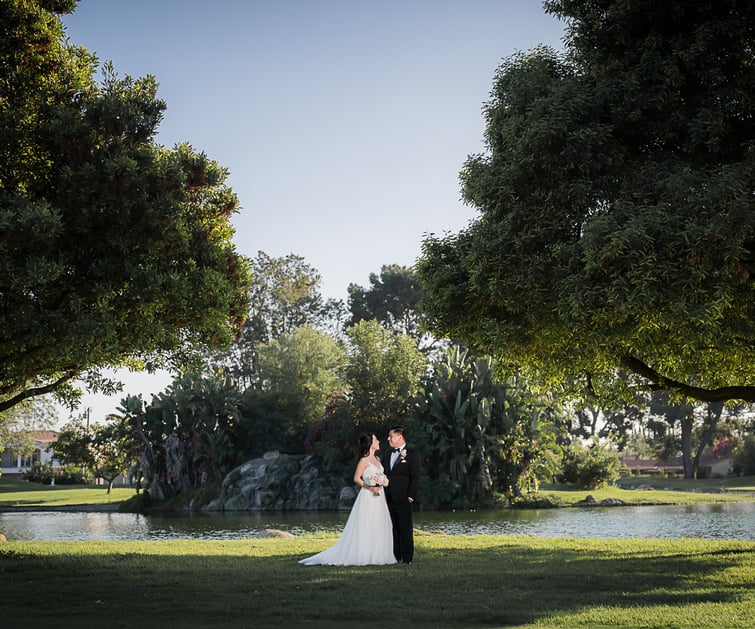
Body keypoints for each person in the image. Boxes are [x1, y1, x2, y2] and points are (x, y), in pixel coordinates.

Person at [299, 433, 396, 566]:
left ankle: (378, 554)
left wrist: (384, 481)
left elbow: (382, 475)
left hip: (380, 496)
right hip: (368, 495)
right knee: (367, 524)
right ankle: (364, 553)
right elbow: (356, 478)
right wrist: (370, 487)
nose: (379, 441)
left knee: (379, 522)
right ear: (370, 444)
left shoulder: (378, 459)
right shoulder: (364, 460)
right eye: (376, 439)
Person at [384, 425, 420, 564]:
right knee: (393, 528)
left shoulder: (412, 453)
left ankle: (407, 558)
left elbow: (415, 476)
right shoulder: (387, 453)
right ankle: (395, 556)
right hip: (388, 496)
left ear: (400, 437)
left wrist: (411, 495)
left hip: (404, 497)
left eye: (391, 436)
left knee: (405, 528)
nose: (388, 438)